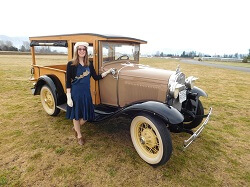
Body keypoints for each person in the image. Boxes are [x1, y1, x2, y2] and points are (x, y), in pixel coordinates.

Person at [66, 42, 112, 145]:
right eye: (79, 49)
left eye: (84, 49)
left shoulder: (89, 64)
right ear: (76, 51)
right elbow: (68, 81)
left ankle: (75, 128)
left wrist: (107, 72)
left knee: (87, 116)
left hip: (86, 93)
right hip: (76, 93)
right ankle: (79, 136)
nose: (82, 51)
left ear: (86, 51)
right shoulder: (71, 64)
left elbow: (96, 77)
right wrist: (68, 96)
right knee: (76, 114)